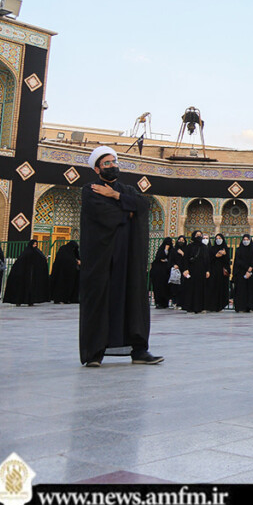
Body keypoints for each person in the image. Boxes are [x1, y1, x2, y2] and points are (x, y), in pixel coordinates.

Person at [78, 145, 162, 366]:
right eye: (106, 163)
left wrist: (115, 195)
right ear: (97, 169)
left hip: (128, 258)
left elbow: (142, 206)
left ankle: (139, 350)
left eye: (114, 162)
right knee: (100, 302)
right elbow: (104, 214)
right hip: (102, 259)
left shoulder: (127, 190)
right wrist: (127, 211)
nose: (112, 166)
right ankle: (94, 353)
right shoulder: (90, 190)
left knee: (133, 301)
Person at [2, 239, 47, 307]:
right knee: (22, 288)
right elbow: (20, 262)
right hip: (24, 274)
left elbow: (41, 259)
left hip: (32, 274)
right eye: (33, 244)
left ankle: (30, 301)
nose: (35, 246)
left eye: (36, 244)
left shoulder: (37, 252)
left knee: (31, 287)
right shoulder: (26, 252)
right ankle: (19, 301)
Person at [182, 231, 210, 313]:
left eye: (200, 235)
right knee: (191, 289)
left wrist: (208, 270)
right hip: (191, 270)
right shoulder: (189, 247)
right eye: (197, 235)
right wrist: (186, 269)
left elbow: (207, 260)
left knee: (201, 289)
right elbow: (185, 259)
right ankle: (190, 307)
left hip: (201, 271)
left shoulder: (204, 247)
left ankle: (200, 307)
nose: (199, 237)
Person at [231, 234, 253, 312]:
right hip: (240, 272)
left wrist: (249, 270)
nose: (246, 241)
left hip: (251, 273)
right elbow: (237, 261)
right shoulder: (239, 250)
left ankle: (251, 306)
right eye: (244, 240)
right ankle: (241, 307)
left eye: (247, 240)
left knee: (251, 290)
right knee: (241, 290)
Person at [148, 238, 173, 309]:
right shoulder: (161, 250)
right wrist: (165, 250)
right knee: (158, 288)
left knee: (166, 288)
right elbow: (159, 257)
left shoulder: (172, 251)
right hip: (158, 274)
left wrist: (166, 259)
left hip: (166, 273)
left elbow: (171, 259)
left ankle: (165, 303)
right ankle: (158, 303)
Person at [208, 233, 231, 312]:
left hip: (222, 273)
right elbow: (209, 260)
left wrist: (224, 255)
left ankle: (220, 306)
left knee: (221, 289)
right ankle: (212, 306)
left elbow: (227, 261)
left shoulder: (225, 249)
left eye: (220, 238)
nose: (218, 240)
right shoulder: (212, 249)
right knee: (213, 288)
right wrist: (216, 256)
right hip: (213, 272)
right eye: (217, 238)